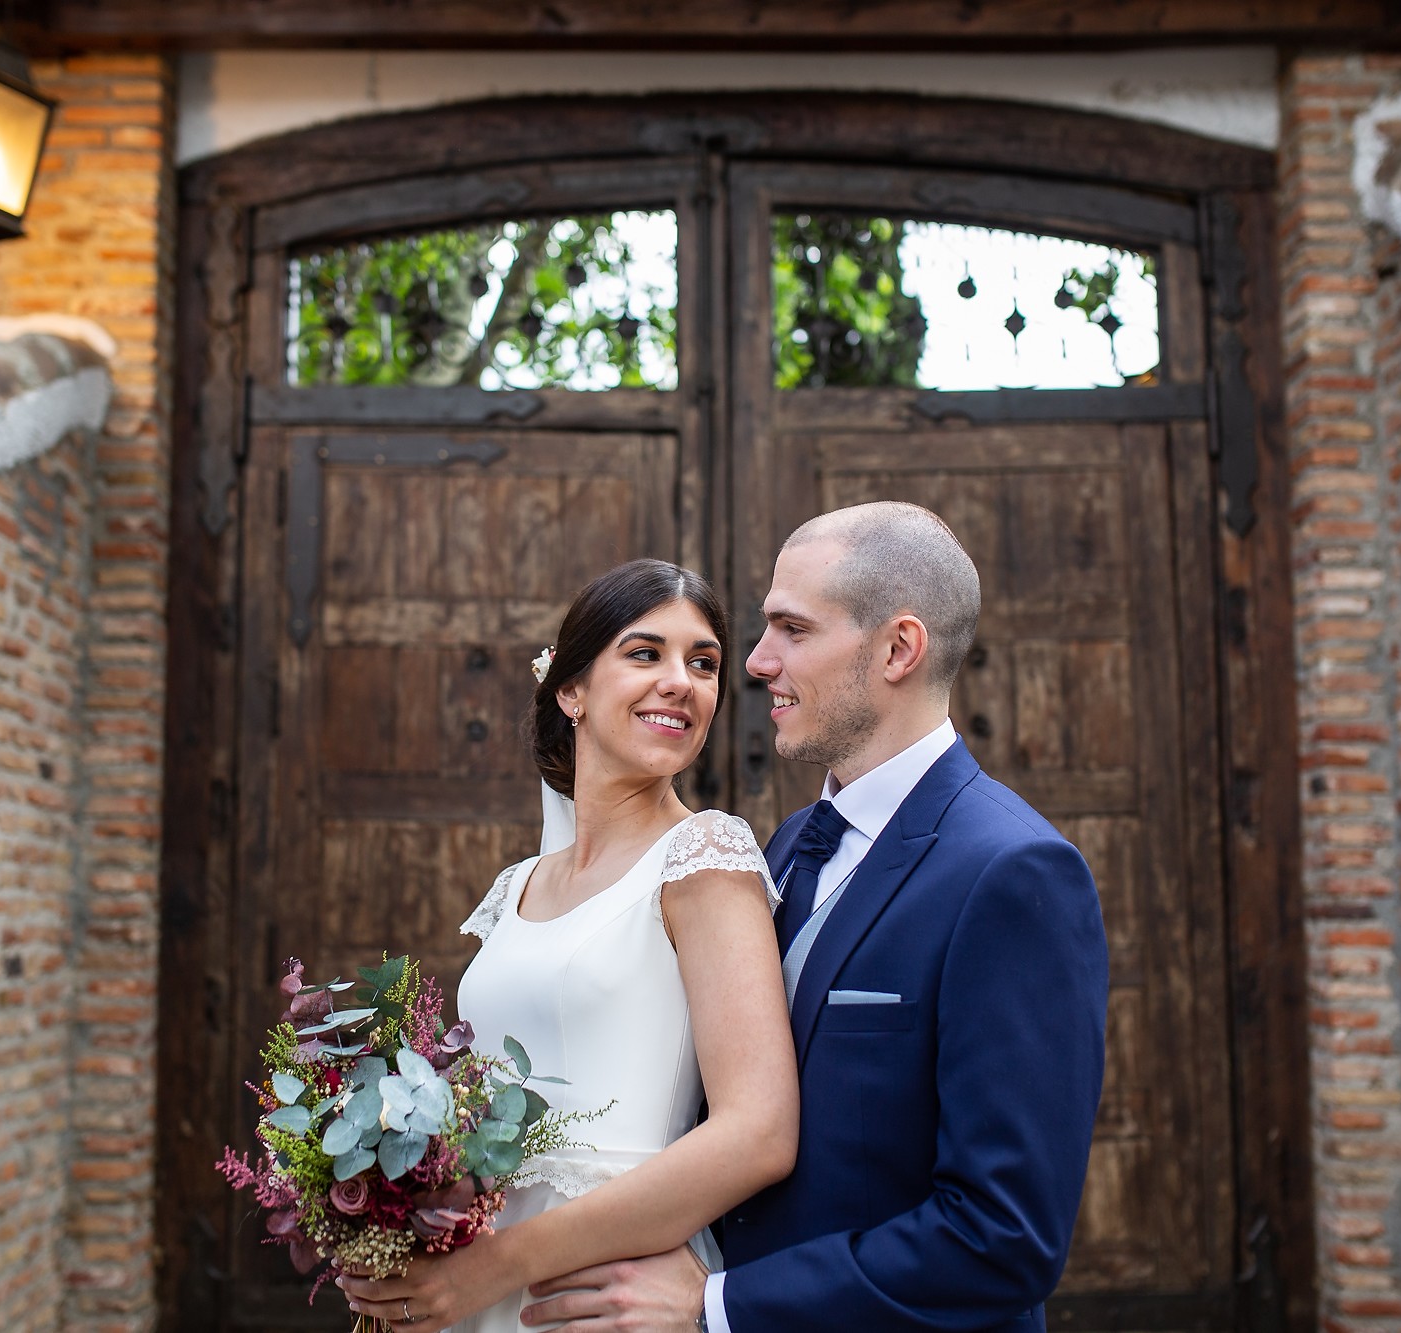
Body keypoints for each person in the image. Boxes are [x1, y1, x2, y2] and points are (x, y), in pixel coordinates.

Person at [516, 502, 1110, 1333]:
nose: (757, 662)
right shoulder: (792, 844)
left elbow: (1002, 1237)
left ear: (899, 648)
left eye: (791, 629)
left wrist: (720, 1304)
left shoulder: (1010, 873)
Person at [340, 558, 800, 1332]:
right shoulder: (518, 883)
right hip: (471, 1273)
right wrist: (390, 1203)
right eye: (645, 653)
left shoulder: (706, 856)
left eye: (704, 662)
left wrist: (504, 1262)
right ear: (571, 688)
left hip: (601, 1286)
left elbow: (759, 1132)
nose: (681, 681)